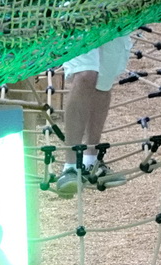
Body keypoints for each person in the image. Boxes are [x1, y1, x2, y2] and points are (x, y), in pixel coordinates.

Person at [56, 35, 133, 197]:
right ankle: (70, 166)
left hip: (117, 15)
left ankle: (92, 161)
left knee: (104, 81)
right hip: (78, 14)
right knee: (86, 75)